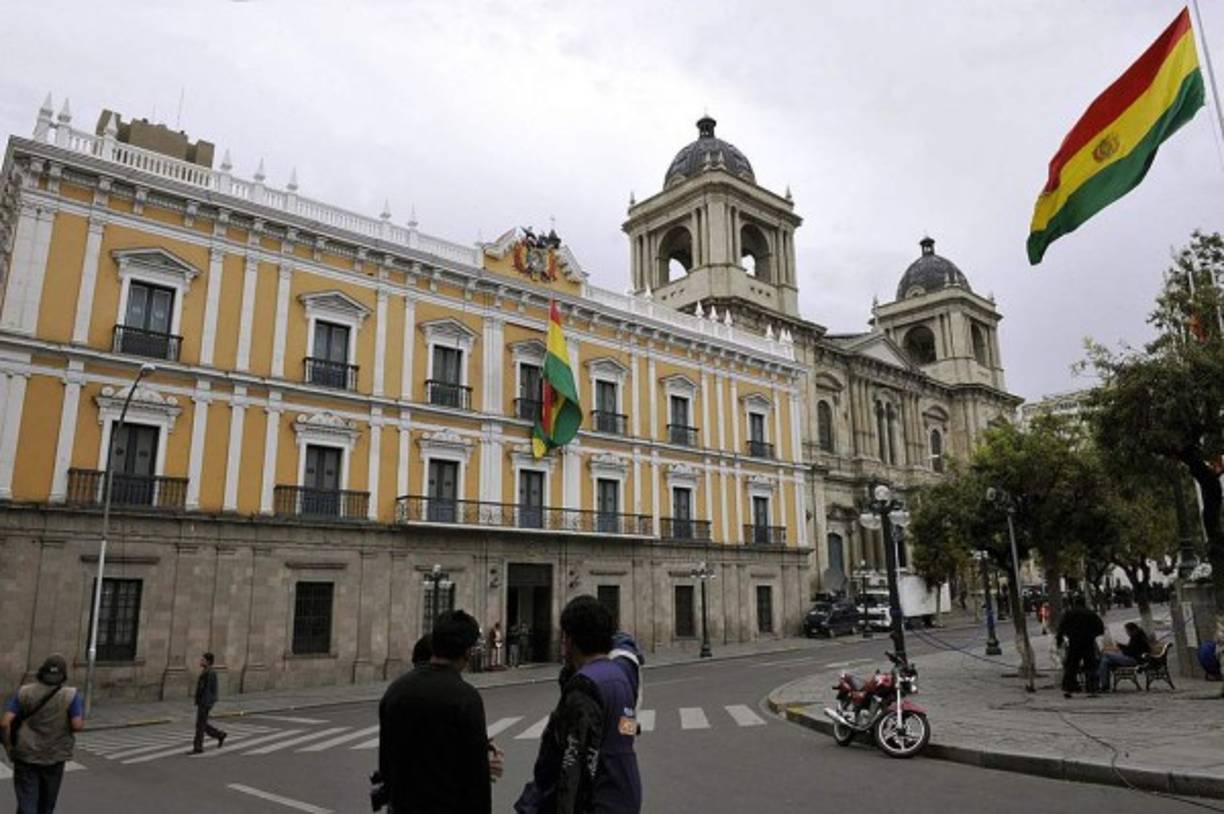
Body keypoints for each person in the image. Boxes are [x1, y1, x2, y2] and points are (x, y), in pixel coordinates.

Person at [515, 596, 642, 814]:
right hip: (623, 795)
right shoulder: (621, 677)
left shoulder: (585, 685)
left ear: (570, 640)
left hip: (596, 801)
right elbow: (626, 727)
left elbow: (573, 763)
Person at [379, 610, 502, 814]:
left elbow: (386, 763)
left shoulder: (396, 690)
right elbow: (475, 781)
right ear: (468, 652)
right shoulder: (466, 698)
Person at [0, 654, 85, 814]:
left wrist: (9, 747)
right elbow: (77, 725)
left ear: (42, 672)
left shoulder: (24, 692)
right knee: (47, 804)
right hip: (54, 757)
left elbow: (5, 723)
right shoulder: (71, 695)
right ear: (63, 675)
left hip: (26, 756)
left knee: (27, 801)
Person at [1056, 595, 1105, 697]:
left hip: (1074, 642)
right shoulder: (1091, 614)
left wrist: (1059, 641)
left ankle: (1068, 689)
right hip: (1088, 642)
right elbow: (1100, 628)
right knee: (1090, 666)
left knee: (1071, 666)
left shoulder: (1069, 613)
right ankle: (1092, 689)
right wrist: (1092, 635)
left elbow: (1061, 628)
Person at [1096, 622, 1151, 692]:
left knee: (1106, 655)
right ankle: (1104, 685)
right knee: (1105, 661)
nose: (1127, 633)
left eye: (1127, 631)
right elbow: (1131, 649)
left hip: (1134, 660)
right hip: (1134, 658)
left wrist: (1121, 647)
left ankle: (1103, 685)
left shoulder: (1136, 637)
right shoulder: (1139, 636)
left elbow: (1130, 652)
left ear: (1132, 630)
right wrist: (1122, 647)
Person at [191, 652, 227, 754]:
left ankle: (198, 747)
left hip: (205, 702)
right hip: (203, 701)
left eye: (202, 660)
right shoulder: (206, 671)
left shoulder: (210, 672)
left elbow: (210, 689)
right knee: (201, 724)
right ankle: (220, 735)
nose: (200, 661)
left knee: (200, 726)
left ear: (207, 661)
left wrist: (207, 702)